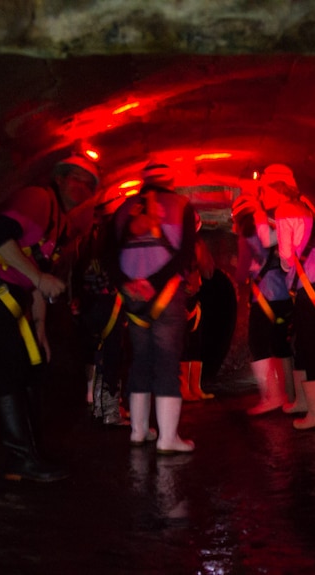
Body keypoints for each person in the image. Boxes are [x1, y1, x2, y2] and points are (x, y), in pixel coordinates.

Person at [0, 152, 101, 482]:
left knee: (31, 365)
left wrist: (40, 331)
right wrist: (37, 279)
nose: (82, 186)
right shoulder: (37, 199)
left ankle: (30, 452)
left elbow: (38, 281)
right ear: (59, 178)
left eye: (89, 183)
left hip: (11, 291)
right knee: (8, 366)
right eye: (75, 177)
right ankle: (20, 460)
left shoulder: (59, 225)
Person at [109, 161, 196, 453]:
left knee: (140, 359)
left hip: (132, 296)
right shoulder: (181, 204)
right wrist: (155, 282)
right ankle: (168, 438)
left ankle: (138, 430)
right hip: (166, 293)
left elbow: (107, 251)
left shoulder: (122, 209)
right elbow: (184, 253)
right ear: (170, 180)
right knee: (167, 362)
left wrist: (125, 282)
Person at [257, 164, 315, 430]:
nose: (262, 196)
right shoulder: (306, 209)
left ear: (276, 188)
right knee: (313, 344)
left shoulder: (283, 211)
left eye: (263, 190)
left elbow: (284, 257)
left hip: (309, 285)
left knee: (310, 346)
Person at [232, 189, 295, 415]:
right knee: (281, 345)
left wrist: (242, 271)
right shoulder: (273, 225)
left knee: (257, 344)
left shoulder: (246, 232)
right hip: (286, 296)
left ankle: (272, 397)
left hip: (264, 298)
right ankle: (291, 393)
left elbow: (241, 273)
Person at [72, 208, 129, 426]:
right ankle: (111, 413)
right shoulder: (112, 249)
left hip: (90, 306)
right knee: (113, 356)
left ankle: (99, 407)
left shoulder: (85, 247)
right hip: (109, 305)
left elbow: (77, 277)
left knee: (98, 355)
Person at [179, 211, 217, 402]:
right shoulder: (180, 244)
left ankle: (194, 387)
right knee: (185, 344)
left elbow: (208, 270)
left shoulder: (194, 243)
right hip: (180, 299)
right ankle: (185, 389)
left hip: (192, 297)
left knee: (194, 343)